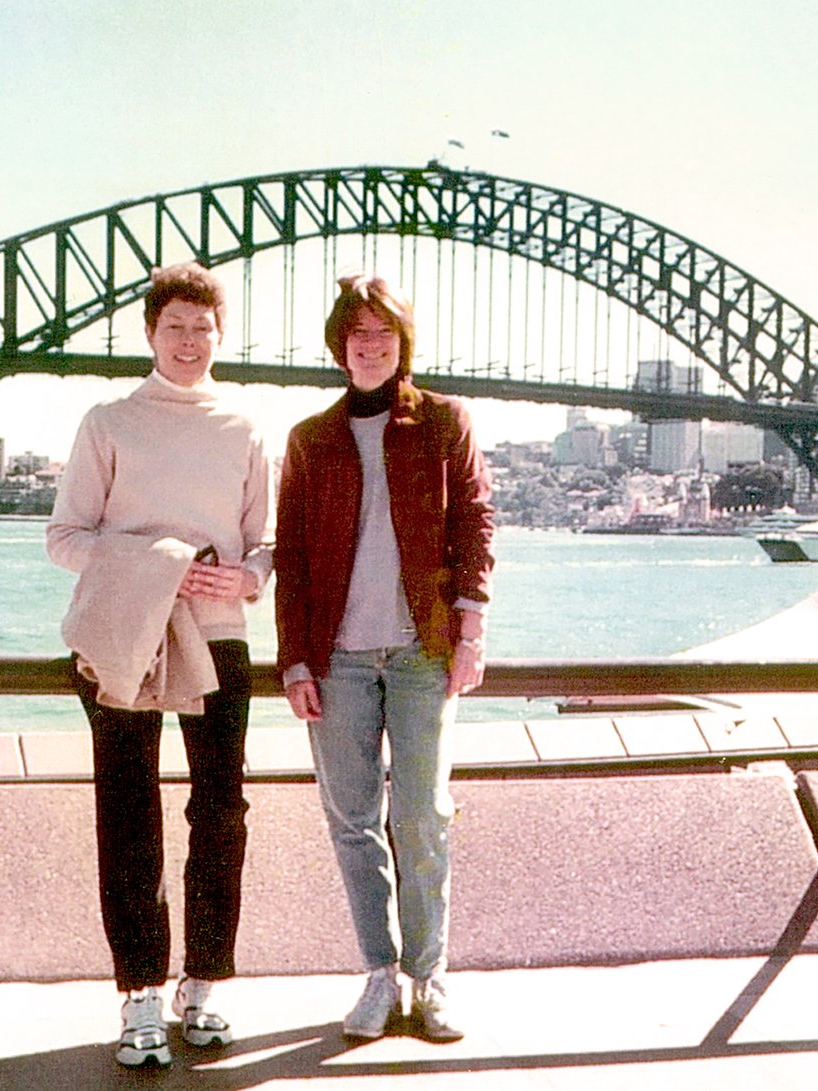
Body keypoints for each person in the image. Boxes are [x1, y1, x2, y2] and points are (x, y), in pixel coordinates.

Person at [46, 262, 273, 1069]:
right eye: (174, 325)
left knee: (222, 812)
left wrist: (247, 576)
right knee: (127, 810)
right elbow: (63, 537)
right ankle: (139, 992)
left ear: (220, 335)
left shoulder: (244, 428)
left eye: (202, 327)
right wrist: (159, 563)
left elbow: (266, 545)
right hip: (125, 636)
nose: (188, 341)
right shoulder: (107, 421)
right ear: (149, 333)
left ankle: (204, 983)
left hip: (218, 635)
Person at [274, 273, 494, 1042]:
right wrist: (294, 661)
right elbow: (294, 558)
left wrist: (472, 629)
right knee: (352, 822)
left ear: (403, 345)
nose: (370, 346)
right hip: (335, 657)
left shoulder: (442, 422)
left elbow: (473, 521)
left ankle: (429, 976)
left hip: (421, 651)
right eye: (357, 334)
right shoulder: (309, 438)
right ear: (340, 346)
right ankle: (377, 973)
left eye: (384, 334)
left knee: (423, 815)